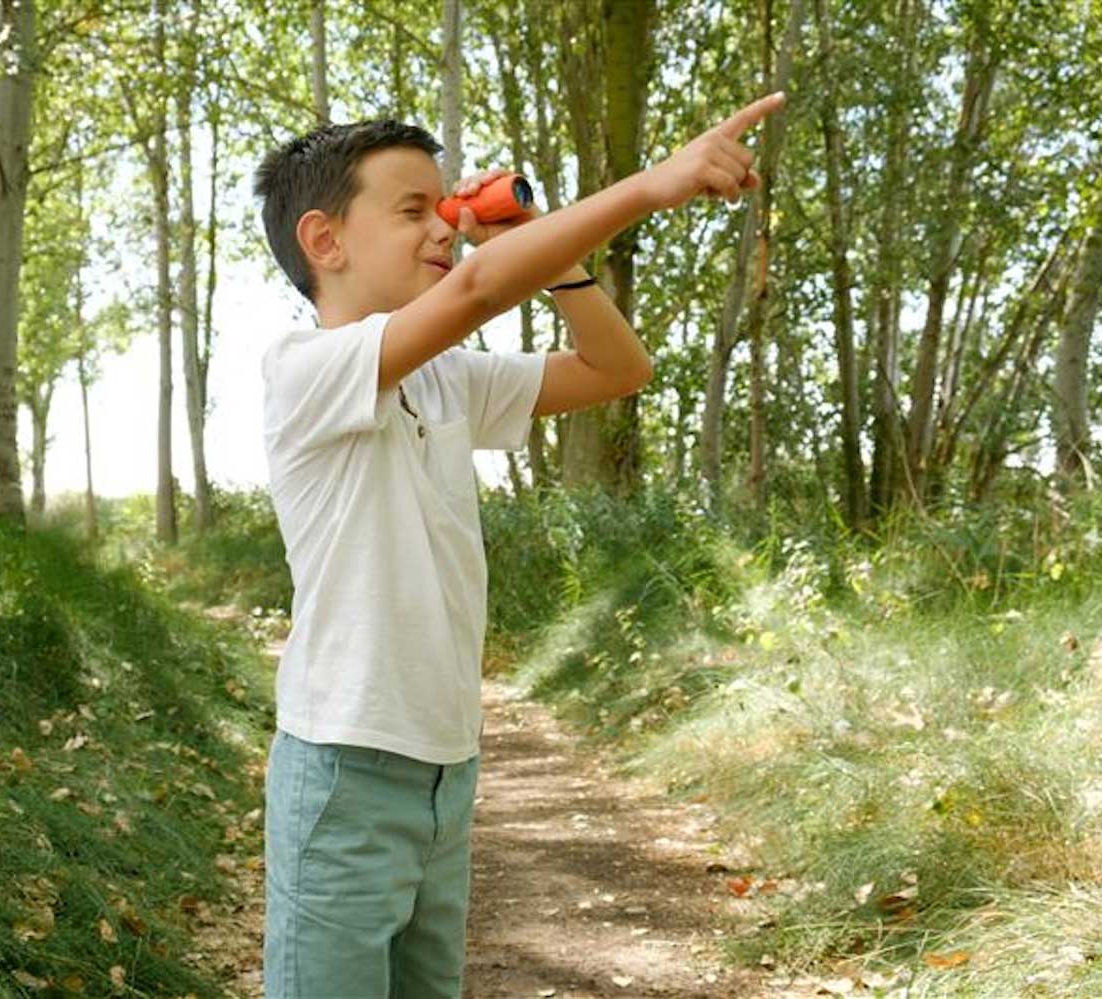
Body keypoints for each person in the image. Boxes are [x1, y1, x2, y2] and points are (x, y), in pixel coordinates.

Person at [251, 92, 786, 998]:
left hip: (445, 765)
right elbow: (475, 289)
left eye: (447, 208)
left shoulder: (448, 378)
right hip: (343, 765)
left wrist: (551, 258)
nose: (446, 228)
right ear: (324, 240)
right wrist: (652, 186)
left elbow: (620, 369)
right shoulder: (305, 370)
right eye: (414, 210)